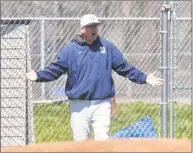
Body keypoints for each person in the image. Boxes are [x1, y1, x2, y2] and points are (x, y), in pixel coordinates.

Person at [23, 14, 164, 141]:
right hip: (79, 103)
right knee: (81, 141)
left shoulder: (107, 47)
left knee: (102, 139)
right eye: (90, 27)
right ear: (82, 30)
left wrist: (144, 78)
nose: (94, 29)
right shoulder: (71, 50)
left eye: (95, 26)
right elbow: (56, 69)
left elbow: (124, 67)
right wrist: (38, 76)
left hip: (102, 102)